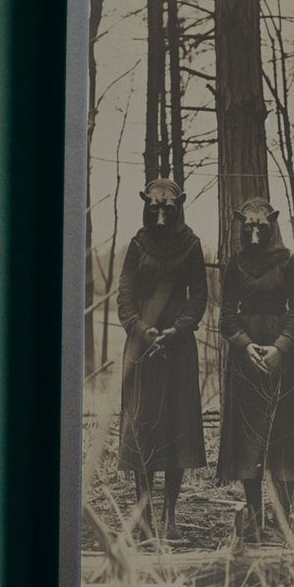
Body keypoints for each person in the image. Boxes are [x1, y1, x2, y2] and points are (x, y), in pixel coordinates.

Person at [115, 177, 207, 540]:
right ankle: (144, 513)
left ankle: (170, 514)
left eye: (168, 207)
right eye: (155, 207)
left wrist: (179, 329)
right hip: (142, 346)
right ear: (146, 205)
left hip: (178, 347)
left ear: (179, 204)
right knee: (142, 427)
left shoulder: (192, 244)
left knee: (177, 428)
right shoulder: (138, 245)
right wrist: (140, 329)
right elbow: (125, 295)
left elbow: (199, 295)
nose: (161, 214)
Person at [216, 197, 294, 544]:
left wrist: (280, 349)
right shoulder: (235, 265)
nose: (255, 232)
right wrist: (245, 344)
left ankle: (283, 520)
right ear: (241, 226)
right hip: (246, 358)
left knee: (283, 432)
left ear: (272, 226)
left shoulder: (288, 262)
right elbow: (226, 314)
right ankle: (254, 517)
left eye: (261, 226)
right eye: (248, 225)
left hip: (282, 357)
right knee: (248, 438)